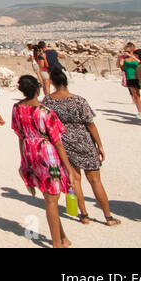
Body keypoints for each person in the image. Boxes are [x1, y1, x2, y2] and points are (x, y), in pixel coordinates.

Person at [44, 69, 120, 226]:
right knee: (95, 181)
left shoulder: (48, 101)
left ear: (52, 82)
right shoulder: (79, 100)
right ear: (66, 81)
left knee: (75, 180)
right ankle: (108, 216)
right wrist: (99, 145)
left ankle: (84, 215)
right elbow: (90, 124)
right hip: (84, 141)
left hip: (63, 142)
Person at [11, 74, 75, 248]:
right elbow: (58, 143)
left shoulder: (16, 108)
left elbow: (19, 135)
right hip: (48, 156)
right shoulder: (45, 112)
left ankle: (63, 238)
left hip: (30, 154)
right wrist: (68, 168)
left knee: (49, 198)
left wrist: (23, 161)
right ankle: (56, 243)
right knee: (52, 201)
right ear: (38, 89)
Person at [118, 43, 141, 116]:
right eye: (125, 51)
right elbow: (121, 67)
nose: (127, 53)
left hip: (139, 77)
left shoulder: (137, 58)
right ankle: (140, 111)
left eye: (129, 51)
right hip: (130, 78)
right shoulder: (124, 59)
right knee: (136, 95)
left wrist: (132, 56)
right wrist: (120, 59)